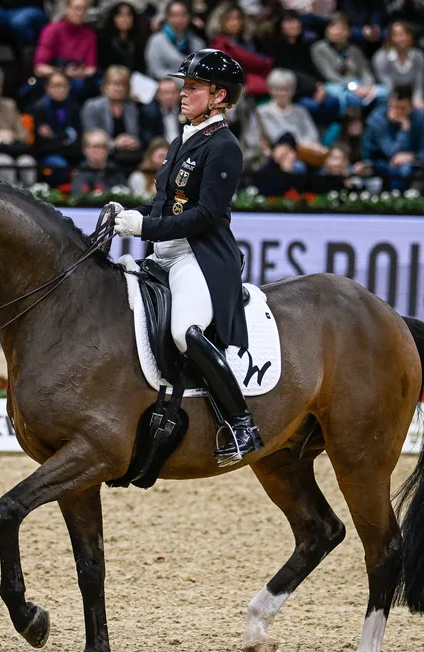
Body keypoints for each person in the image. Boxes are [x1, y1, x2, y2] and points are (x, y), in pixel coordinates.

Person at [112, 49, 262, 465]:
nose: (183, 93)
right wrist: (129, 214)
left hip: (198, 256)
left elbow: (206, 216)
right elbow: (165, 204)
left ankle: (242, 424)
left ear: (218, 96)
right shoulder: (185, 137)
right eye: (185, 86)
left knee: (185, 331)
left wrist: (143, 228)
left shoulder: (224, 146)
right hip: (164, 254)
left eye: (193, 87)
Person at [310, 12, 382, 113]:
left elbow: (365, 71)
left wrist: (368, 85)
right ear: (327, 30)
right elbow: (330, 75)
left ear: (348, 32)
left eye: (341, 28)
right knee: (353, 99)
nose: (337, 32)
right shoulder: (319, 49)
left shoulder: (354, 50)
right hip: (335, 85)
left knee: (383, 94)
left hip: (359, 83)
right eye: (333, 27)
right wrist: (354, 87)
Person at [364, 84, 424, 188]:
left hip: (412, 162)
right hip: (379, 161)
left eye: (402, 108)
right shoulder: (377, 119)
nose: (397, 111)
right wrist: (404, 129)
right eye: (393, 106)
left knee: (406, 168)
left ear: (411, 106)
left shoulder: (420, 118)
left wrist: (412, 157)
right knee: (400, 169)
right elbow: (390, 152)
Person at [81, 65, 143, 169]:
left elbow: (135, 134)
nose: (119, 89)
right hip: (103, 153)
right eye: (115, 84)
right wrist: (114, 143)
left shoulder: (131, 107)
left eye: (123, 85)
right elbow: (90, 136)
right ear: (105, 85)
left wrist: (132, 141)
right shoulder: (92, 106)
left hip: (128, 154)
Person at [28, 69, 83, 184]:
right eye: (56, 86)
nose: (60, 89)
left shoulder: (75, 108)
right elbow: (42, 144)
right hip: (47, 155)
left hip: (72, 154)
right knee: (59, 165)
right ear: (47, 88)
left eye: (64, 86)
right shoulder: (39, 108)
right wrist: (63, 140)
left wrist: (55, 138)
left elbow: (78, 138)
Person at [34, 0, 97, 98]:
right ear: (67, 8)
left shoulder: (89, 34)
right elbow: (40, 67)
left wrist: (81, 73)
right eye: (77, 9)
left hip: (80, 77)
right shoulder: (52, 30)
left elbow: (91, 68)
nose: (80, 13)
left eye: (84, 9)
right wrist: (63, 72)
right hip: (55, 74)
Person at [207, 3, 273, 97]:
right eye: (229, 19)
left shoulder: (247, 42)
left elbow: (259, 64)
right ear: (220, 21)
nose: (234, 23)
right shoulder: (218, 44)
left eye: (238, 18)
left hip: (252, 86)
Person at [256, 69, 322, 151]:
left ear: (293, 90)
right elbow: (275, 137)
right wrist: (302, 143)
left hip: (306, 151)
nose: (282, 93)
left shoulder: (300, 110)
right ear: (270, 90)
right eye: (277, 89)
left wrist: (307, 145)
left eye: (286, 89)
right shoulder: (263, 112)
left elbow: (313, 135)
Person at [371, 21, 424, 110]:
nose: (402, 39)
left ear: (411, 37)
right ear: (390, 38)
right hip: (388, 98)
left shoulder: (419, 56)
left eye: (406, 34)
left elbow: (419, 84)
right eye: (397, 35)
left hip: (411, 99)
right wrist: (400, 103)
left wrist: (418, 99)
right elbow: (387, 85)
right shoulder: (381, 57)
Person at [145, 1, 206, 80]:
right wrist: (180, 80)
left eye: (183, 15)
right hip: (164, 83)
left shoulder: (198, 43)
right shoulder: (156, 40)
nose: (179, 19)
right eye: (175, 15)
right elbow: (156, 71)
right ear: (167, 17)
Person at [97, 1, 148, 74]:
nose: (125, 19)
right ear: (113, 18)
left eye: (128, 15)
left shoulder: (138, 41)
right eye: (120, 15)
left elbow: (141, 68)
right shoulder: (103, 41)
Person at [140, 76, 184, 144]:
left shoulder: (186, 110)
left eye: (173, 92)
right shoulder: (149, 113)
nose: (170, 96)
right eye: (166, 93)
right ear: (158, 95)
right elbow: (148, 138)